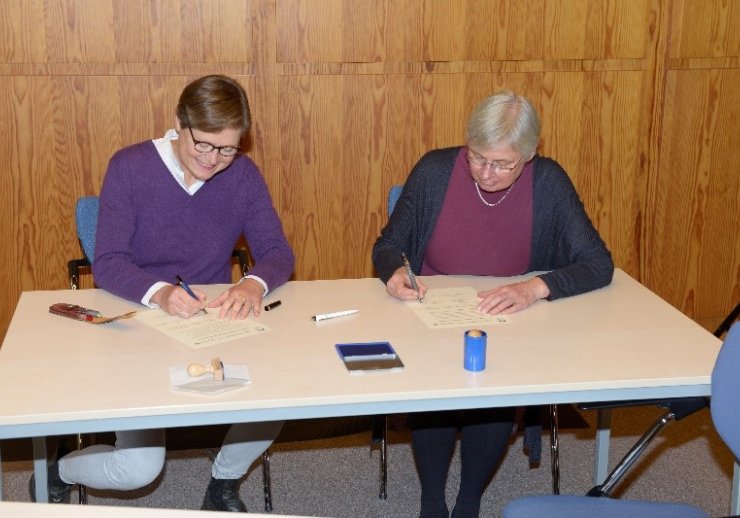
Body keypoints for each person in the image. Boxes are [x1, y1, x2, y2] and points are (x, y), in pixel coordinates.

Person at [36, 75, 295, 512]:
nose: (214, 160)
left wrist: (253, 283)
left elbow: (277, 251)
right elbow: (110, 261)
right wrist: (158, 293)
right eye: (204, 145)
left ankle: (224, 482)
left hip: (210, 322)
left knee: (285, 395)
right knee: (138, 470)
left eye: (228, 149)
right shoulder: (130, 166)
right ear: (179, 123)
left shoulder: (244, 175)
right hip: (138, 318)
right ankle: (58, 470)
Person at [372, 91, 613, 518]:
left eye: (503, 164)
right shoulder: (434, 171)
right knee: (435, 392)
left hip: (508, 318)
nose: (486, 172)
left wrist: (535, 288)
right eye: (478, 157)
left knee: (495, 390)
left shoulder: (549, 182)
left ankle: (468, 501)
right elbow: (389, 245)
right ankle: (432, 501)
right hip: (434, 312)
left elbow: (598, 264)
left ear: (530, 155)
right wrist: (394, 273)